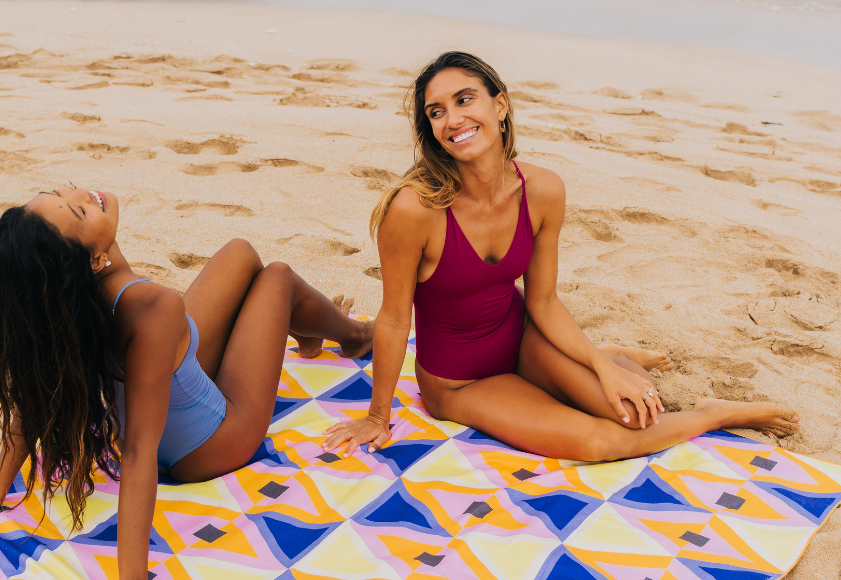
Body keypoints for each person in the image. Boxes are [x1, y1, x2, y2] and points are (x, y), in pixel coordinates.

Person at [0, 186, 373, 580]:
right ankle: (356, 335)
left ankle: (306, 329)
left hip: (172, 392)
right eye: (78, 208)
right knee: (276, 277)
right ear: (94, 260)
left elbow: (33, 397)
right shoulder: (154, 307)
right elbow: (138, 452)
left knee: (241, 254)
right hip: (213, 442)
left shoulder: (70, 296)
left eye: (62, 191)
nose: (83, 192)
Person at [324, 50, 798, 461]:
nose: (452, 119)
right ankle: (711, 415)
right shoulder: (414, 209)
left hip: (523, 339)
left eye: (464, 100)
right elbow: (393, 319)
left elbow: (544, 301)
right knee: (601, 441)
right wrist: (377, 416)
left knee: (636, 406)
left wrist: (601, 368)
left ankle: (613, 357)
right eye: (436, 112)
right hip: (460, 382)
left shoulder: (543, 190)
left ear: (500, 105)